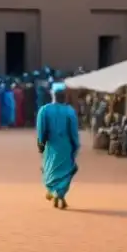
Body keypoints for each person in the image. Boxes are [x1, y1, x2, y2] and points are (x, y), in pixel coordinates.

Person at [36, 82, 80, 210]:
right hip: (66, 148)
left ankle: (54, 192)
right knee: (67, 171)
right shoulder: (69, 111)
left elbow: (41, 130)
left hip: (51, 147)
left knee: (50, 170)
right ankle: (60, 194)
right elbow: (74, 133)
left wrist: (41, 145)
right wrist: (75, 146)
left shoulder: (44, 110)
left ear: (53, 95)